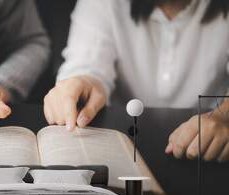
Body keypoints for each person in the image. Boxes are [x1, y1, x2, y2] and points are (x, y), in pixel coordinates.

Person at [43, 0, 229, 162]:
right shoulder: (102, 3)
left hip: (208, 147)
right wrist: (81, 82)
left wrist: (224, 116)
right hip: (120, 144)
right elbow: (87, 65)